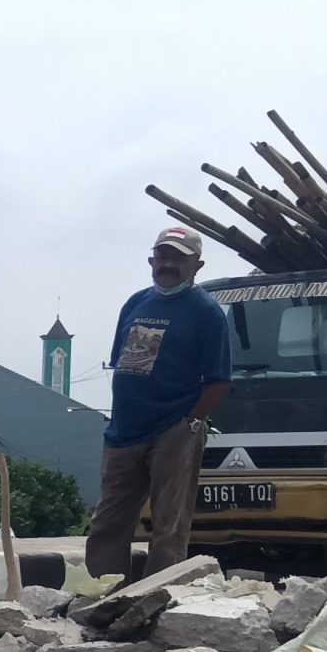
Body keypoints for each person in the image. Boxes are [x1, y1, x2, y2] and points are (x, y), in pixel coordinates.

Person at [86, 226, 233, 586]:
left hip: (173, 429)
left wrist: (189, 423)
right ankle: (102, 592)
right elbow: (121, 363)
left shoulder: (207, 312)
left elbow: (219, 380)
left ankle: (159, 596)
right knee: (109, 518)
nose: (168, 264)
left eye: (179, 257)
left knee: (169, 523)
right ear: (151, 260)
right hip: (124, 431)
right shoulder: (135, 303)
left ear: (196, 265)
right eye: (163, 255)